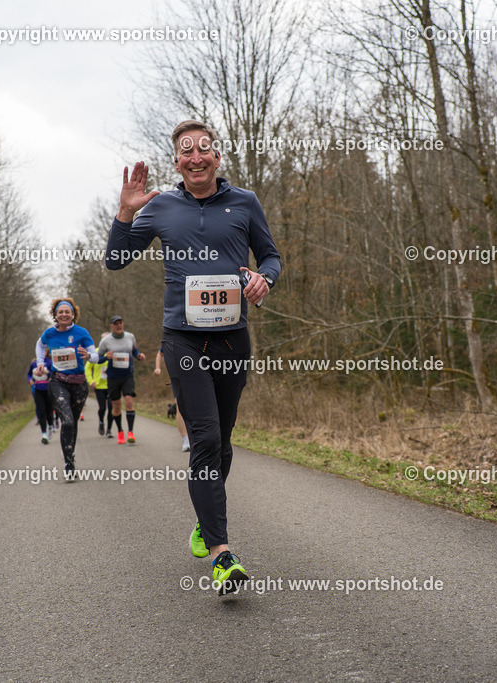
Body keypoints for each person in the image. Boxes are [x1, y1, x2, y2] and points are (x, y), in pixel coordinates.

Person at [106, 119, 281, 595]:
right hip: (182, 341)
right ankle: (223, 555)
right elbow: (116, 261)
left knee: (222, 443)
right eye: (186, 151)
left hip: (232, 339)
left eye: (204, 148)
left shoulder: (245, 202)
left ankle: (206, 524)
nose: (196, 156)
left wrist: (266, 278)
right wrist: (125, 214)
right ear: (177, 162)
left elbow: (271, 256)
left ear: (217, 157)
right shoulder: (161, 206)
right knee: (203, 438)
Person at [35, 298, 101, 481]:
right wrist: (40, 363)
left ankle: (70, 457)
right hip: (58, 382)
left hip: (79, 383)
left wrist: (88, 355)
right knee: (68, 421)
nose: (64, 314)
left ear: (73, 314)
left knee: (73, 423)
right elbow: (40, 345)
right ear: (55, 315)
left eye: (67, 312)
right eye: (60, 312)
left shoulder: (81, 332)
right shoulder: (49, 333)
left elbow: (95, 356)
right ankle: (68, 464)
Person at [97, 315, 146, 444]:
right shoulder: (105, 341)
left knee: (129, 401)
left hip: (127, 375)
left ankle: (130, 432)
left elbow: (134, 350)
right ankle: (120, 431)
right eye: (116, 324)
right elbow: (98, 359)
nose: (119, 325)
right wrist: (106, 357)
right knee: (116, 405)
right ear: (111, 326)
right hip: (113, 377)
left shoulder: (130, 336)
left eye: (120, 323)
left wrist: (139, 355)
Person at [154, 348, 188, 451]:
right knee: (180, 406)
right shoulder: (173, 334)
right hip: (179, 375)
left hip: (198, 374)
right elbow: (160, 353)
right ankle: (186, 440)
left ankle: (197, 438)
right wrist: (158, 368)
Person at [85, 334, 112, 436]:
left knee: (111, 407)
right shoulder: (95, 352)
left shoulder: (113, 352)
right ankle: (101, 422)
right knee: (102, 408)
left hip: (111, 385)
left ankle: (109, 430)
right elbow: (87, 368)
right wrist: (91, 381)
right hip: (99, 385)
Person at [28, 357, 55, 444]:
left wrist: (46, 372)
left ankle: (50, 426)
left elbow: (54, 374)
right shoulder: (34, 364)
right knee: (41, 412)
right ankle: (44, 434)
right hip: (38, 390)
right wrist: (30, 380)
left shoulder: (49, 363)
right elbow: (28, 375)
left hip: (48, 389)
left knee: (49, 412)